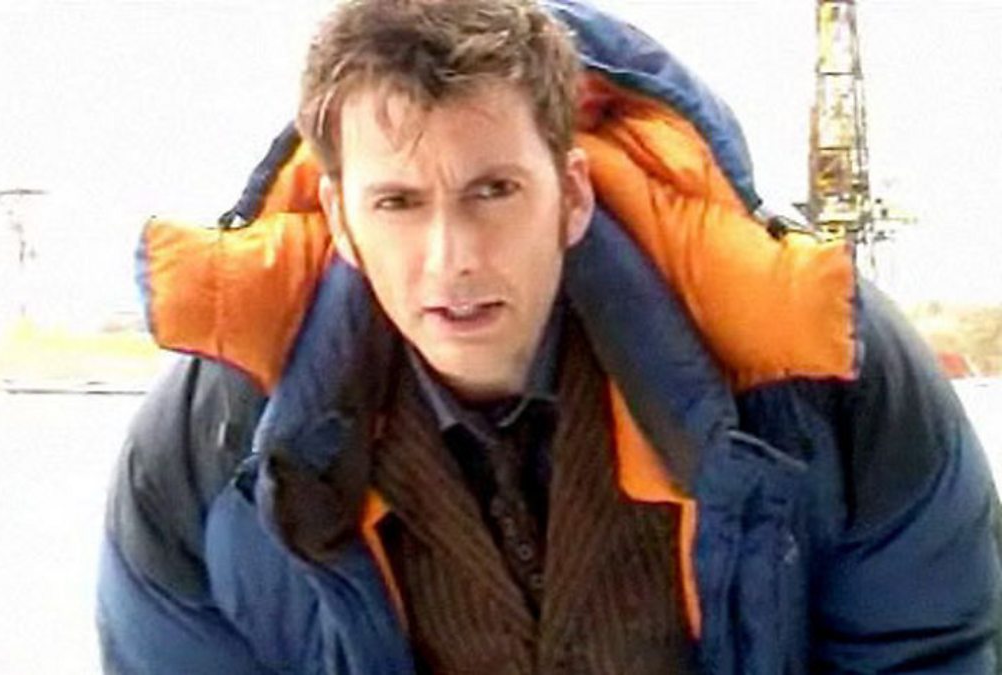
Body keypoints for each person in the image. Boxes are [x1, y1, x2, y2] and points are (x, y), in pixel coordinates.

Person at [96, 0, 1002, 672]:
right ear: (339, 215)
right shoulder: (212, 446)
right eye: (398, 203)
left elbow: (930, 651)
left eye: (493, 190)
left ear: (570, 193)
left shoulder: (824, 376)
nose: (451, 259)